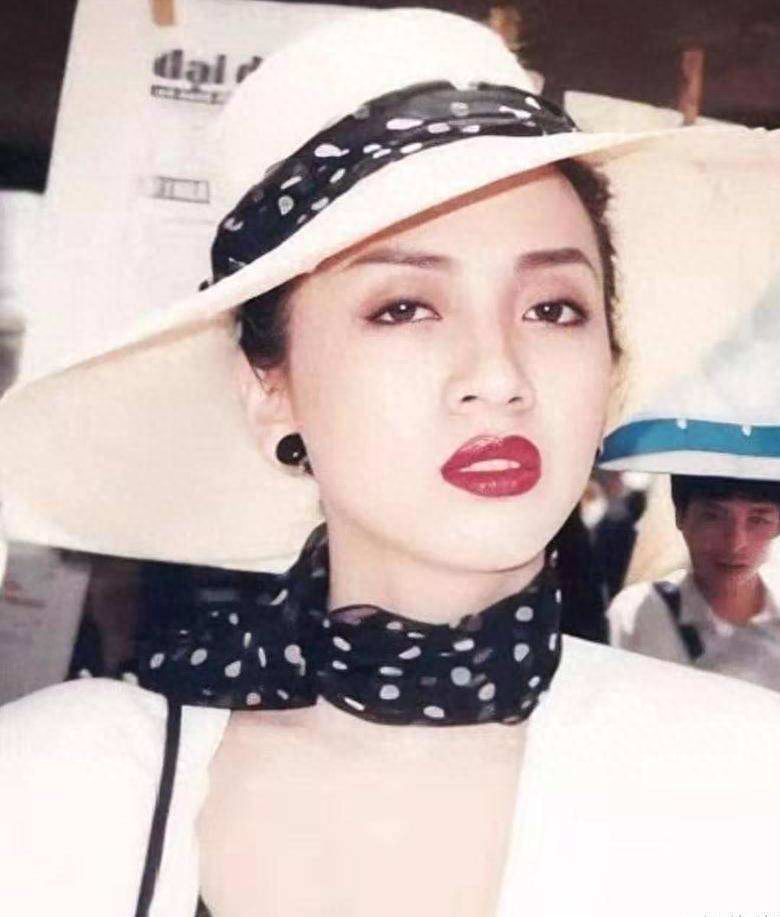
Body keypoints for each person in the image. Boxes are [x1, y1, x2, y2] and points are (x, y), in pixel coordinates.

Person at [1, 10, 780, 917]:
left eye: (553, 308)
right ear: (270, 387)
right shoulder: (63, 790)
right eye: (404, 307)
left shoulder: (745, 777)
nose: (498, 375)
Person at [608, 473, 780, 689]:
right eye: (713, 517)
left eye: (757, 520)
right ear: (680, 516)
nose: (736, 543)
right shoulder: (636, 614)